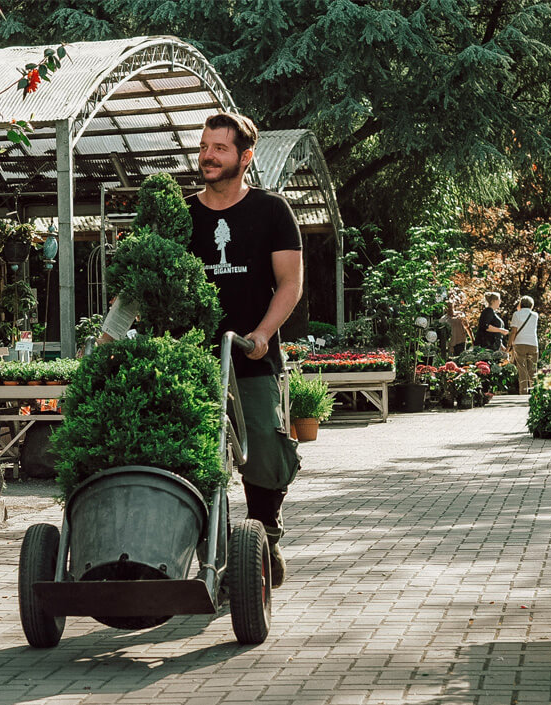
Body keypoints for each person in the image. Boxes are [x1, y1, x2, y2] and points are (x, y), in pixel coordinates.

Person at [186, 111, 303, 588]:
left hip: (250, 356)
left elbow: (290, 284)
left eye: (220, 148)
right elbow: (139, 282)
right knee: (192, 456)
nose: (208, 156)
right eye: (205, 146)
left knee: (264, 454)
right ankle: (209, 548)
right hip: (192, 361)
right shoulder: (184, 214)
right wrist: (108, 338)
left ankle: (264, 539)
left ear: (245, 157)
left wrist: (261, 334)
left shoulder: (272, 212)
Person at [508, 295, 540, 394]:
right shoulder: (535, 315)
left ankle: (524, 393)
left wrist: (509, 345)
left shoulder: (516, 314)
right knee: (533, 370)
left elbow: (513, 331)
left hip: (519, 344)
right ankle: (535, 392)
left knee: (522, 370)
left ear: (521, 304)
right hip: (533, 344)